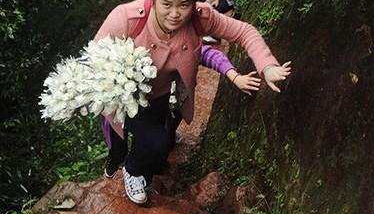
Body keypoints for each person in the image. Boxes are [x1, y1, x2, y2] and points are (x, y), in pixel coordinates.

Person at [95, 0, 291, 205]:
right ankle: (117, 161)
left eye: (184, 5)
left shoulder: (201, 17)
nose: (175, 14)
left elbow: (244, 32)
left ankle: (134, 171)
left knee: (158, 144)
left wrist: (267, 65)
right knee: (122, 147)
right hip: (124, 99)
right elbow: (93, 58)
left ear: (195, 2)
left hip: (161, 96)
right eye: (166, 4)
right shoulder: (127, 18)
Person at [102, 44, 261, 179]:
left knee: (162, 144)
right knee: (119, 148)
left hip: (169, 105)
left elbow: (209, 54)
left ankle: (146, 170)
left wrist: (234, 76)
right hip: (125, 106)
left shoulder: (183, 47)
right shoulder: (139, 50)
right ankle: (115, 162)